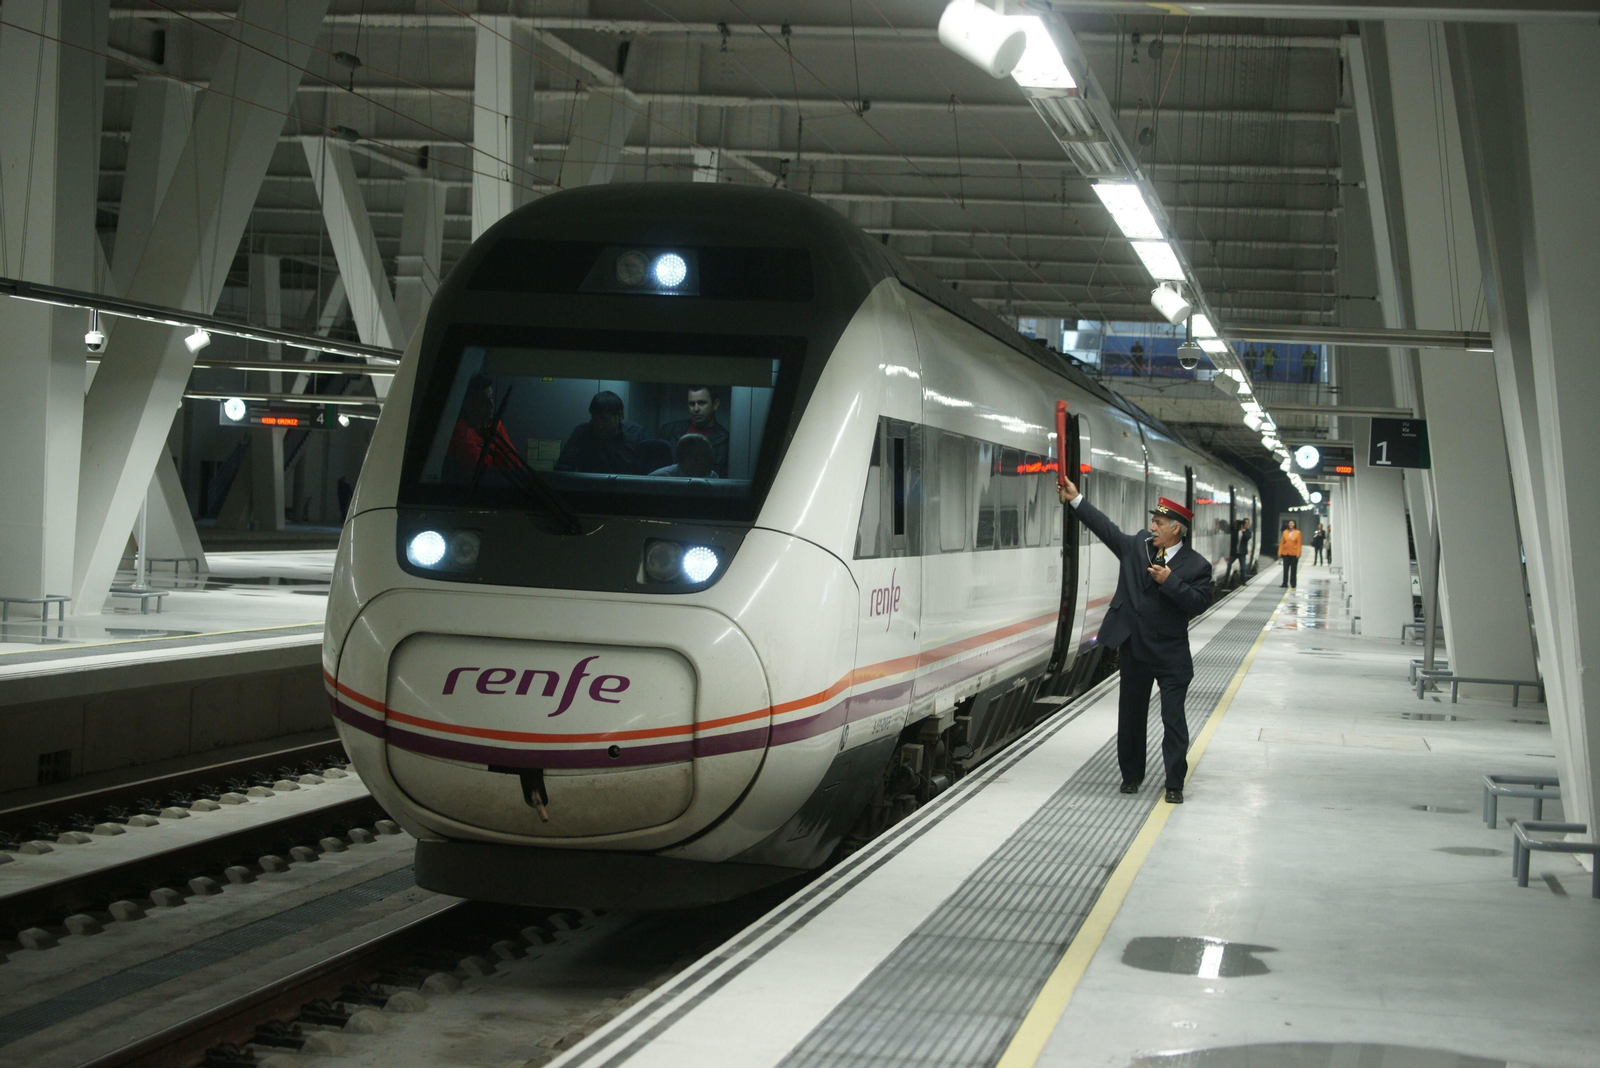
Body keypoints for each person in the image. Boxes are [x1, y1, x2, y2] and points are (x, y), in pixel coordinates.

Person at [1057, 477, 1212, 804]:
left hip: (1171, 655)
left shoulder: (1197, 566)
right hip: (1136, 649)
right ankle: (1131, 775)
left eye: (1158, 523)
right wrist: (1076, 501)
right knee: (1130, 716)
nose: (1152, 527)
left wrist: (1170, 582)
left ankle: (1174, 783)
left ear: (1176, 530)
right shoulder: (1136, 547)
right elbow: (1106, 529)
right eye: (1152, 521)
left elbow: (1199, 604)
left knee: (1173, 721)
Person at [555, 391, 644, 474]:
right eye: (595, 420)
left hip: (626, 489)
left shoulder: (635, 433)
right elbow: (562, 468)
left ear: (619, 415)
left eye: (604, 420)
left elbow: (645, 471)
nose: (599, 426)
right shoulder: (582, 433)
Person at [446, 374, 519, 473]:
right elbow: (477, 465)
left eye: (491, 399)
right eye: (484, 401)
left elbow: (514, 462)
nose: (492, 405)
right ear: (469, 404)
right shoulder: (460, 430)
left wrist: (489, 453)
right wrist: (495, 455)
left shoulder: (496, 426)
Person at [658, 386, 730, 477]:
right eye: (692, 404)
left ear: (715, 404)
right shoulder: (669, 431)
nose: (696, 409)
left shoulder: (726, 441)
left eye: (702, 403)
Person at [651, 434, 721, 479]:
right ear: (686, 458)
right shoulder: (660, 479)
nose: (711, 460)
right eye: (706, 456)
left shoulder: (711, 476)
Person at [1279, 519, 1303, 588]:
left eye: (1292, 523)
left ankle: (1293, 583)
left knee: (1293, 569)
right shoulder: (1285, 532)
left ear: (1294, 524)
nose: (1291, 524)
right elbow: (1282, 543)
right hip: (1285, 553)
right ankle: (1284, 583)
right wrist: (1280, 552)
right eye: (1290, 523)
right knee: (1285, 568)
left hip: (1294, 553)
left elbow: (1299, 544)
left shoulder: (1298, 533)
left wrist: (1298, 553)